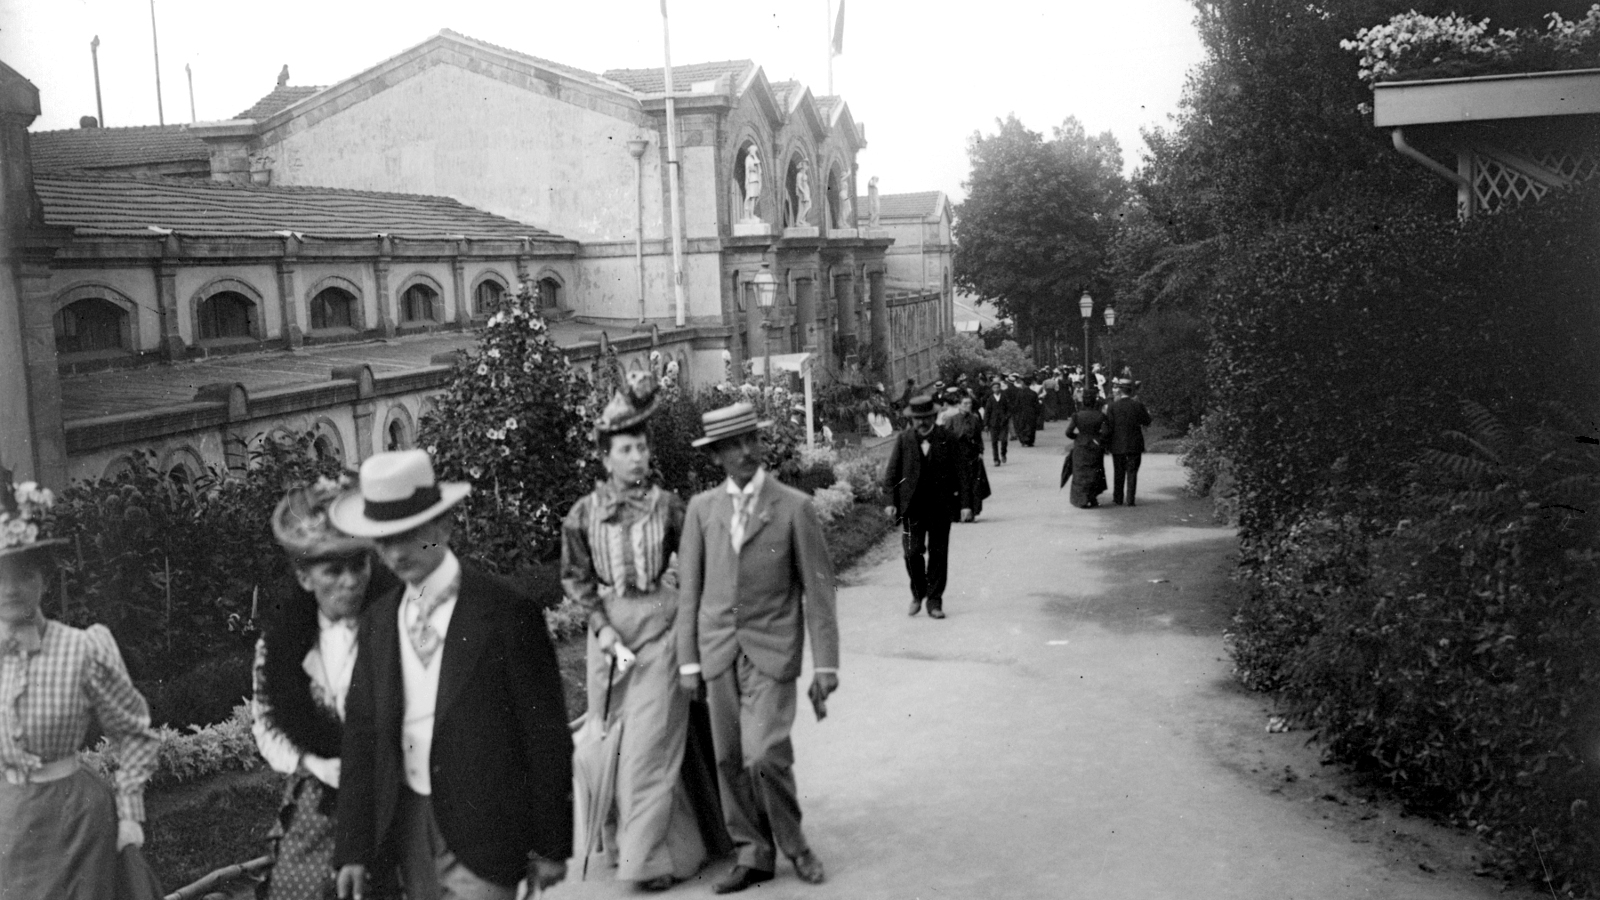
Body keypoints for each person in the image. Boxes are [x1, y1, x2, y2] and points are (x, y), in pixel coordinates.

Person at [330, 451, 572, 900]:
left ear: (443, 525)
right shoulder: (379, 622)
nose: (396, 552)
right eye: (383, 541)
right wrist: (354, 848)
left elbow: (545, 734)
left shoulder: (505, 613)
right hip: (406, 825)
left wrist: (551, 842)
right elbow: (362, 739)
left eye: (409, 535)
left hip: (486, 826)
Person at [561, 373, 717, 891]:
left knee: (649, 747)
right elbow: (578, 581)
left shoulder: (669, 507)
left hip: (661, 635)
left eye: (643, 448)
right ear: (605, 458)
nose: (637, 457)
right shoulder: (582, 517)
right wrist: (602, 630)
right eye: (626, 449)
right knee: (610, 745)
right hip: (608, 644)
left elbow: (694, 568)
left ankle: (645, 862)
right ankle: (643, 842)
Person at [675, 403, 839, 894]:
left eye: (751, 439)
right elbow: (690, 592)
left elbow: (819, 589)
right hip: (718, 650)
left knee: (765, 754)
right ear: (718, 456)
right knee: (728, 757)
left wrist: (826, 662)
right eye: (732, 444)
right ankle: (753, 852)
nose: (745, 451)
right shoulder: (702, 511)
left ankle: (795, 845)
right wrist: (688, 660)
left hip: (772, 648)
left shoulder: (794, 507)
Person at [0, 479, 160, 899]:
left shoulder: (81, 649)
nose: (11, 588)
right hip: (7, 823)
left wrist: (128, 814)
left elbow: (135, 732)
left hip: (76, 825)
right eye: (0, 575)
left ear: (45, 581)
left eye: (24, 574)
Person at [253, 479, 400, 900]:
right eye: (333, 571)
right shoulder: (281, 646)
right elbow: (268, 725)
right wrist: (314, 763)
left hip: (393, 785)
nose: (350, 581)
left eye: (359, 565)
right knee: (301, 887)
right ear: (304, 576)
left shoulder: (394, 625)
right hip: (324, 792)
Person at [882, 396, 964, 618]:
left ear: (934, 417)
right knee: (911, 553)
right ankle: (918, 594)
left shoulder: (947, 438)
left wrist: (965, 504)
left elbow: (961, 473)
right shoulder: (904, 440)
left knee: (938, 555)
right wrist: (890, 502)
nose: (920, 423)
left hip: (940, 508)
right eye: (916, 419)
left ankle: (935, 601)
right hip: (912, 509)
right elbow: (891, 474)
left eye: (925, 418)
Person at [1106, 378, 1154, 507]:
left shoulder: (1113, 406)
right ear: (1131, 391)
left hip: (1117, 443)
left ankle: (1118, 498)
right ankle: (1130, 499)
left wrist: (1106, 443)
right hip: (1134, 443)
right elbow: (1147, 421)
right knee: (1132, 471)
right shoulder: (1138, 405)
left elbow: (1109, 427)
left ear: (1120, 391)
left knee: (1118, 471)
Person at [944, 390, 990, 521]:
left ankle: (973, 512)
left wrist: (981, 451)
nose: (968, 406)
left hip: (972, 455)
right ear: (959, 405)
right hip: (957, 455)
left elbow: (978, 437)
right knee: (958, 484)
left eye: (969, 403)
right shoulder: (952, 420)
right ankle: (958, 513)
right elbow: (946, 439)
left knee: (974, 484)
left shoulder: (974, 419)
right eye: (965, 403)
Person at [1063, 391, 1112, 509]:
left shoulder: (1077, 415)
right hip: (1095, 446)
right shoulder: (1101, 416)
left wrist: (1078, 437)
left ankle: (1081, 499)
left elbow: (1068, 432)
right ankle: (1092, 497)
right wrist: (1098, 439)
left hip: (1080, 446)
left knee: (1080, 472)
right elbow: (1106, 433)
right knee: (1095, 472)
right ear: (1095, 401)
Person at [981, 378, 1013, 466]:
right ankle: (996, 459)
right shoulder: (990, 399)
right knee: (994, 442)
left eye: (997, 387)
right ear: (992, 389)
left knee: (1004, 440)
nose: (996, 389)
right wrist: (985, 424)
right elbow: (987, 412)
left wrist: (1006, 416)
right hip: (993, 422)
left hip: (1003, 422)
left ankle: (1003, 453)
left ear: (1000, 388)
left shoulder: (1004, 397)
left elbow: (1009, 409)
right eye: (994, 388)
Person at [1011, 375, 1041, 447]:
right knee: (1031, 427)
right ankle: (1030, 441)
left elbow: (1017, 404)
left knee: (1022, 426)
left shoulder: (1020, 393)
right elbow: (1036, 405)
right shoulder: (1033, 393)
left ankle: (1023, 440)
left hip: (1022, 412)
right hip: (1031, 412)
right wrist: (1037, 413)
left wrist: (1014, 411)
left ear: (1024, 383)